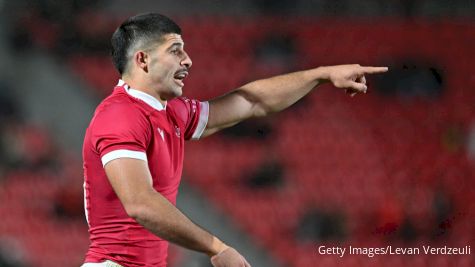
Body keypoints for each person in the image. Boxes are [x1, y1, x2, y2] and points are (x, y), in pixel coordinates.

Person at [81, 13, 388, 267]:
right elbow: (140, 203)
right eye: (176, 50)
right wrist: (216, 246)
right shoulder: (120, 115)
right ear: (143, 60)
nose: (187, 60)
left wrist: (320, 74)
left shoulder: (170, 112)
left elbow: (252, 102)